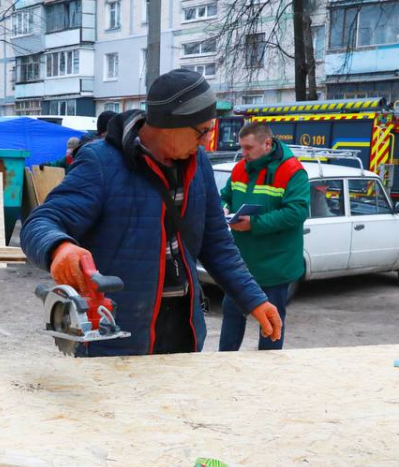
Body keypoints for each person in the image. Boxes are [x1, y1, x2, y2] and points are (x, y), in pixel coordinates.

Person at [21, 69, 281, 356]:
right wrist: (60, 248)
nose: (206, 141)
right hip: (117, 336)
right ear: (170, 124)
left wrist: (255, 300)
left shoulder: (199, 165)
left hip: (183, 331)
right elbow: (41, 222)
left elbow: (217, 243)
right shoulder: (102, 163)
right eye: (202, 130)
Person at [218, 122, 308, 351]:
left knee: (270, 325)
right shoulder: (240, 168)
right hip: (241, 265)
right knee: (231, 318)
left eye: (248, 148)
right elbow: (224, 196)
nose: (244, 154)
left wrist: (254, 224)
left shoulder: (292, 171)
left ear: (267, 143)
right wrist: (224, 208)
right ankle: (222, 366)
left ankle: (269, 375)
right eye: (242, 148)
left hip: (275, 265)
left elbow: (297, 212)